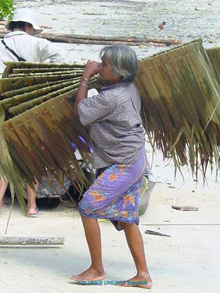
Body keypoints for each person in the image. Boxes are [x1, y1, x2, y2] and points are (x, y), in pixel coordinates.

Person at [71, 44, 152, 289]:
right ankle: (143, 275)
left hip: (124, 163)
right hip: (131, 157)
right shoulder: (126, 87)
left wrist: (86, 75)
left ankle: (97, 269)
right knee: (127, 218)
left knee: (87, 206)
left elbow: (80, 112)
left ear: (117, 71)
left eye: (104, 64)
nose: (100, 66)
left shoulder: (112, 97)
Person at [0, 8, 65, 216]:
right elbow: (60, 57)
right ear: (28, 26)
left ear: (13, 25)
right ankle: (31, 206)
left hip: (2, 105)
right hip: (27, 104)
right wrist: (41, 77)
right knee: (31, 154)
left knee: (3, 156)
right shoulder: (36, 44)